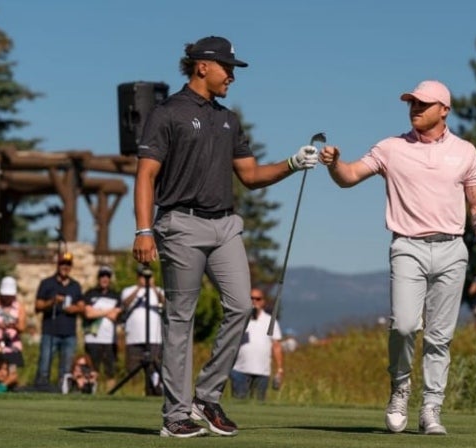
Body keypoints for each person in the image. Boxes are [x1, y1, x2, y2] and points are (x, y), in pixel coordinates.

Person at [131, 35, 318, 438]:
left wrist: (292, 163)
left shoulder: (228, 118)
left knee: (241, 306)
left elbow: (249, 176)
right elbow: (146, 175)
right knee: (180, 318)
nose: (232, 76)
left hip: (225, 225)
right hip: (179, 224)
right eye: (227, 68)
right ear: (202, 66)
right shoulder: (167, 114)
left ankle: (207, 395)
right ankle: (175, 415)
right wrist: (144, 229)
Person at [318, 79, 476, 436]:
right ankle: (400, 389)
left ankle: (431, 407)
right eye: (412, 103)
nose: (415, 108)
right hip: (407, 247)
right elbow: (349, 177)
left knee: (439, 337)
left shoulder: (465, 152)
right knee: (403, 325)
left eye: (423, 104)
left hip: (452, 248)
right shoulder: (391, 148)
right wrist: (335, 163)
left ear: (444, 110)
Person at [34, 252, 84, 388]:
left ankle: (63, 393)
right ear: (58, 265)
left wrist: (73, 308)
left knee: (66, 369)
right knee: (44, 366)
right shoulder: (47, 283)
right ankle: (40, 391)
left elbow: (82, 306)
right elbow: (37, 306)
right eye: (62, 264)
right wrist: (52, 302)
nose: (65, 267)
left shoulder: (75, 286)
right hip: (50, 332)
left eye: (68, 264)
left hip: (69, 334)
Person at [229, 288, 284, 401]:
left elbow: (276, 346)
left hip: (262, 371)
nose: (254, 301)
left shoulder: (270, 321)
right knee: (238, 402)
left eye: (258, 299)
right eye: (251, 298)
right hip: (240, 370)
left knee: (259, 402)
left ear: (263, 301)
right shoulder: (240, 319)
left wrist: (279, 369)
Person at [121, 264, 165, 396]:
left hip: (153, 339)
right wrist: (139, 289)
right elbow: (125, 303)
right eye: (142, 276)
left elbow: (166, 303)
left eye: (147, 276)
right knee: (133, 370)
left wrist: (151, 286)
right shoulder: (129, 290)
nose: (144, 278)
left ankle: (154, 392)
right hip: (134, 338)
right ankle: (133, 394)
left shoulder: (157, 291)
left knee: (154, 370)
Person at [83, 265, 122, 391]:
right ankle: (92, 393)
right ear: (98, 278)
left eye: (107, 276)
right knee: (92, 370)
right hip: (92, 339)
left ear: (110, 279)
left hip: (110, 340)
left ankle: (110, 395)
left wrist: (98, 311)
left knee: (110, 371)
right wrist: (108, 311)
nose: (104, 279)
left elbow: (116, 315)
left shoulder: (115, 295)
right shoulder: (90, 294)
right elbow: (88, 313)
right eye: (102, 276)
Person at [0, 276, 26, 389]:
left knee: (12, 373)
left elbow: (22, 327)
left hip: (12, 345)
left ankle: (2, 389)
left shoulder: (19, 307)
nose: (7, 298)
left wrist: (12, 325)